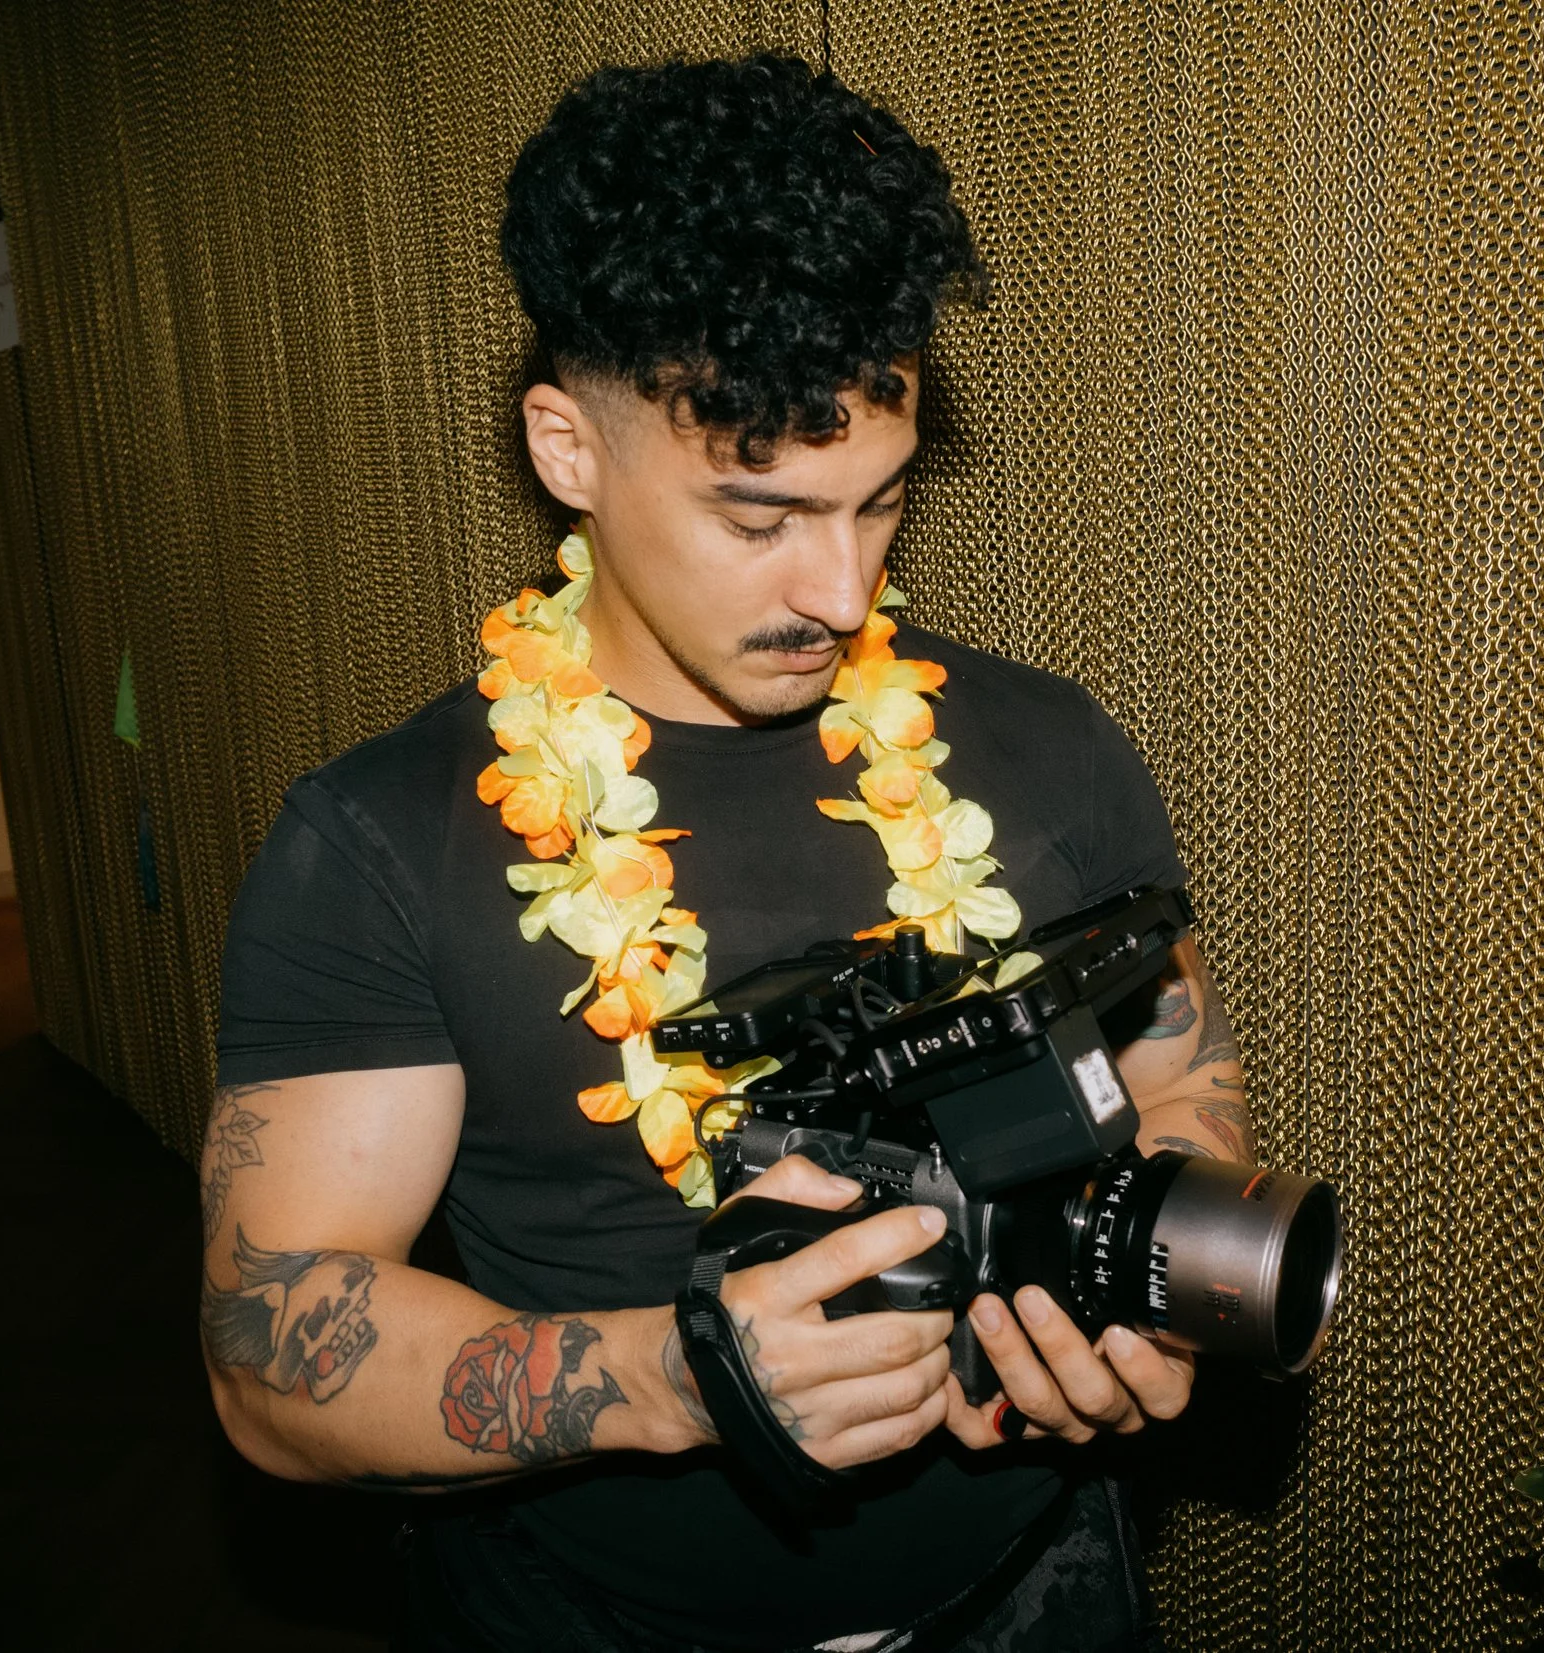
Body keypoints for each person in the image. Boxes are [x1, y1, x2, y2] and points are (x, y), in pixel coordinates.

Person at [202, 54, 1256, 1653]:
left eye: (879, 504)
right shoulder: (376, 843)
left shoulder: (1052, 746)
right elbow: (269, 1357)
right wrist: (671, 1379)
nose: (840, 592)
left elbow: (1174, 1085)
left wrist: (1157, 1303)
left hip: (1043, 1591)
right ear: (570, 450)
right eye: (759, 519)